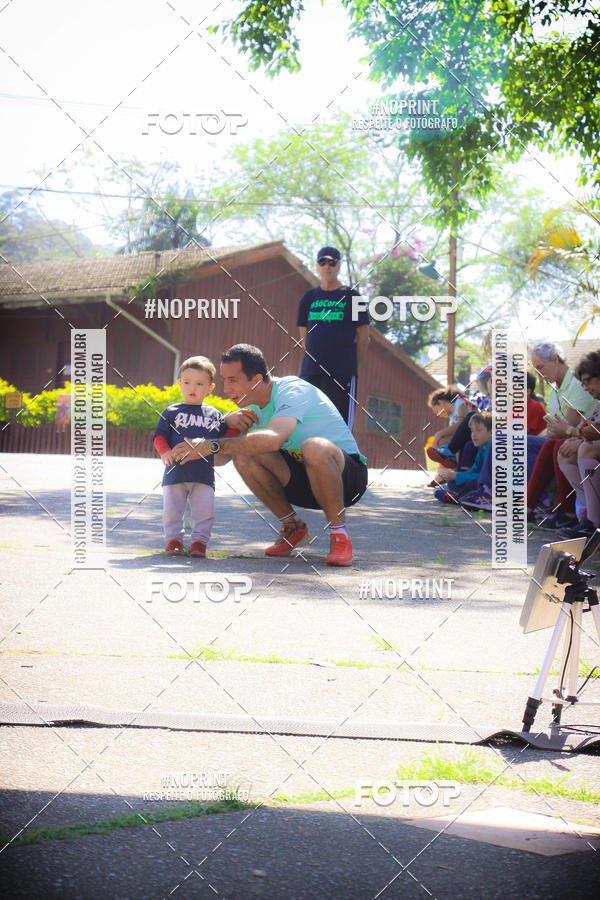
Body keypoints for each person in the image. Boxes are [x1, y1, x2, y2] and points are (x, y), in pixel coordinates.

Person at [171, 344, 368, 567]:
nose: (226, 390)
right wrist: (222, 425)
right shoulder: (249, 408)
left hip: (347, 480)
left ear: (255, 380)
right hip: (304, 483)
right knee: (243, 453)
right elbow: (220, 458)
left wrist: (213, 445)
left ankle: (339, 535)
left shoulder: (292, 390)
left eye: (233, 380)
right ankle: (293, 528)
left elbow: (274, 438)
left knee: (314, 446)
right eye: (225, 380)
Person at [154, 356, 231, 557]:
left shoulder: (214, 414)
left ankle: (199, 542)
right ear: (179, 383)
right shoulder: (171, 411)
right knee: (172, 511)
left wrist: (236, 422)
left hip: (203, 474)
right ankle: (173, 540)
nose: (192, 387)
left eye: (199, 383)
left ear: (210, 387)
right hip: (175, 472)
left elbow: (225, 438)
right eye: (186, 382)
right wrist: (165, 451)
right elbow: (159, 436)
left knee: (204, 513)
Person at [296, 245, 369, 429]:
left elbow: (364, 338)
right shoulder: (308, 298)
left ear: (338, 266)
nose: (327, 266)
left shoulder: (353, 298)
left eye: (332, 262)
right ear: (317, 266)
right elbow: (304, 335)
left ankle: (343, 458)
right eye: (322, 262)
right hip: (311, 371)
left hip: (341, 371)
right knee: (307, 419)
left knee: (337, 423)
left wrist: (350, 365)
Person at [526, 342, 597, 529]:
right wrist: (563, 430)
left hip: (571, 439)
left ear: (555, 359)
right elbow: (554, 428)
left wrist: (566, 430)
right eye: (536, 369)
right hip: (566, 438)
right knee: (511, 441)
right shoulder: (554, 390)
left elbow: (568, 427)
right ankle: (526, 506)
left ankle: (570, 513)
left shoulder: (576, 383)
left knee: (558, 446)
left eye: (541, 367)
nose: (539, 373)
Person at [433, 412, 493, 503]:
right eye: (472, 431)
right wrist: (454, 475)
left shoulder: (492, 447)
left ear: (491, 432)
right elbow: (474, 470)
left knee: (471, 483)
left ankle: (458, 497)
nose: (474, 434)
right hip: (479, 481)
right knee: (451, 483)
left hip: (490, 485)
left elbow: (485, 478)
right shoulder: (482, 447)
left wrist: (457, 476)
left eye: (479, 430)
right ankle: (458, 495)